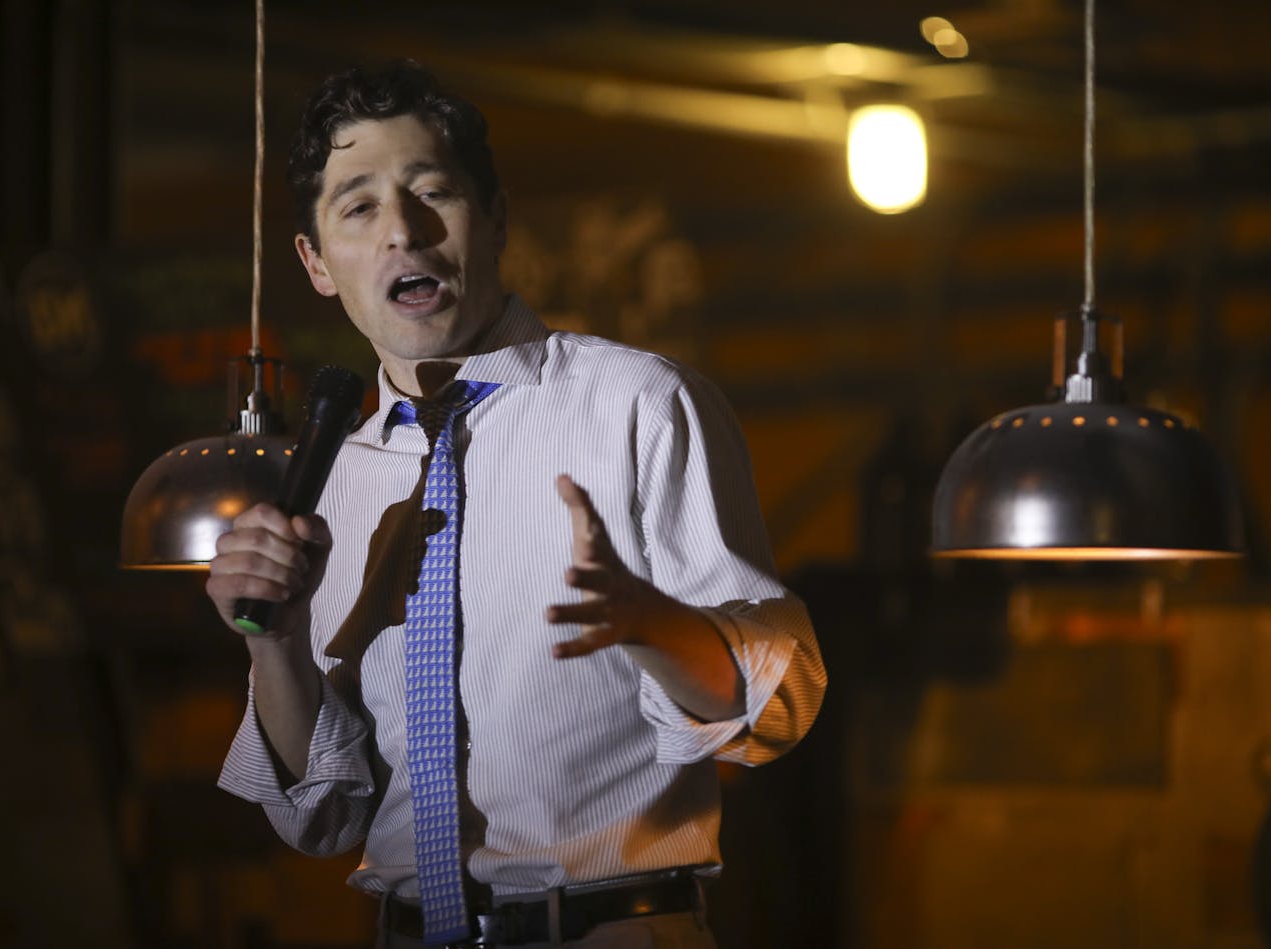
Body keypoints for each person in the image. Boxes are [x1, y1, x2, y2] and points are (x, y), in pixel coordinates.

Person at [206, 60, 825, 949]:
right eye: (359, 207)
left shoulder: (639, 403)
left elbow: (779, 703)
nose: (403, 232)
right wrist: (277, 641)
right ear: (315, 262)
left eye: (434, 193)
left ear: (495, 220)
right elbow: (321, 816)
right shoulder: (330, 476)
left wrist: (648, 622)